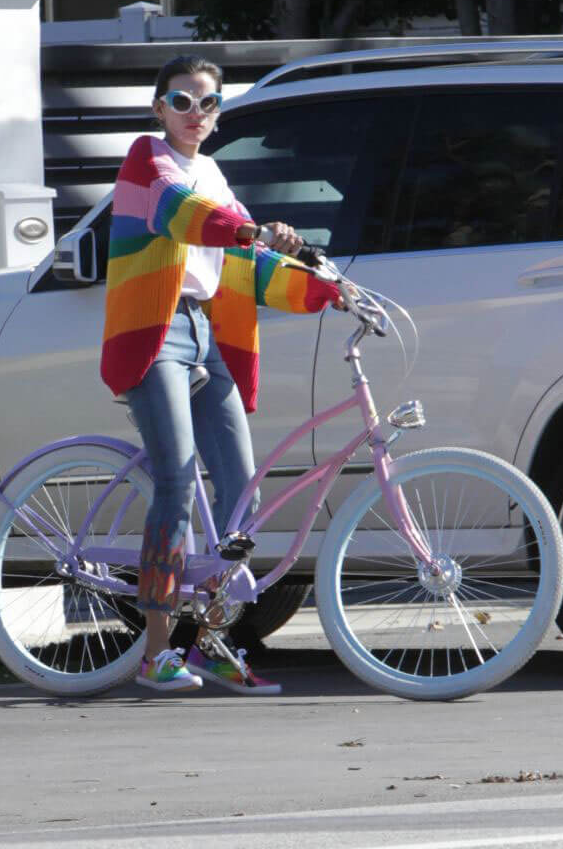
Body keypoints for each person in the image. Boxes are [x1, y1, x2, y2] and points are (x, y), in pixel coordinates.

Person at [100, 55, 342, 694]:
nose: (196, 115)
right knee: (177, 482)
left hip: (206, 331)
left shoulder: (210, 168)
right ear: (159, 108)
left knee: (243, 493)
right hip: (157, 333)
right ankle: (156, 654)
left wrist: (322, 287)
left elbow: (248, 260)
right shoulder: (145, 159)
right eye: (182, 101)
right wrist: (250, 228)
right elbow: (183, 216)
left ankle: (208, 643)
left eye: (208, 104)